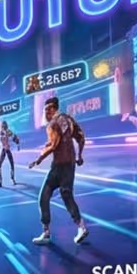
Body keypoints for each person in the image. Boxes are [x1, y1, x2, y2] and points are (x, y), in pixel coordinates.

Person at [31, 97, 88, 246]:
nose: (45, 113)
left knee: (44, 197)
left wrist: (39, 158)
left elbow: (55, 145)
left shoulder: (52, 123)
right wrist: (80, 155)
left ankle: (46, 232)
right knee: (66, 194)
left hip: (58, 166)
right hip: (70, 164)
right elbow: (80, 137)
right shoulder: (68, 119)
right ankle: (81, 227)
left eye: (46, 110)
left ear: (51, 109)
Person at [0, 120, 19, 187]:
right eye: (3, 125)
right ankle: (1, 181)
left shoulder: (8, 132)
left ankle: (11, 179)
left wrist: (17, 142)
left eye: (4, 125)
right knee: (0, 165)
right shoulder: (3, 132)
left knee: (10, 164)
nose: (4, 126)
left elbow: (14, 138)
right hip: (4, 150)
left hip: (6, 149)